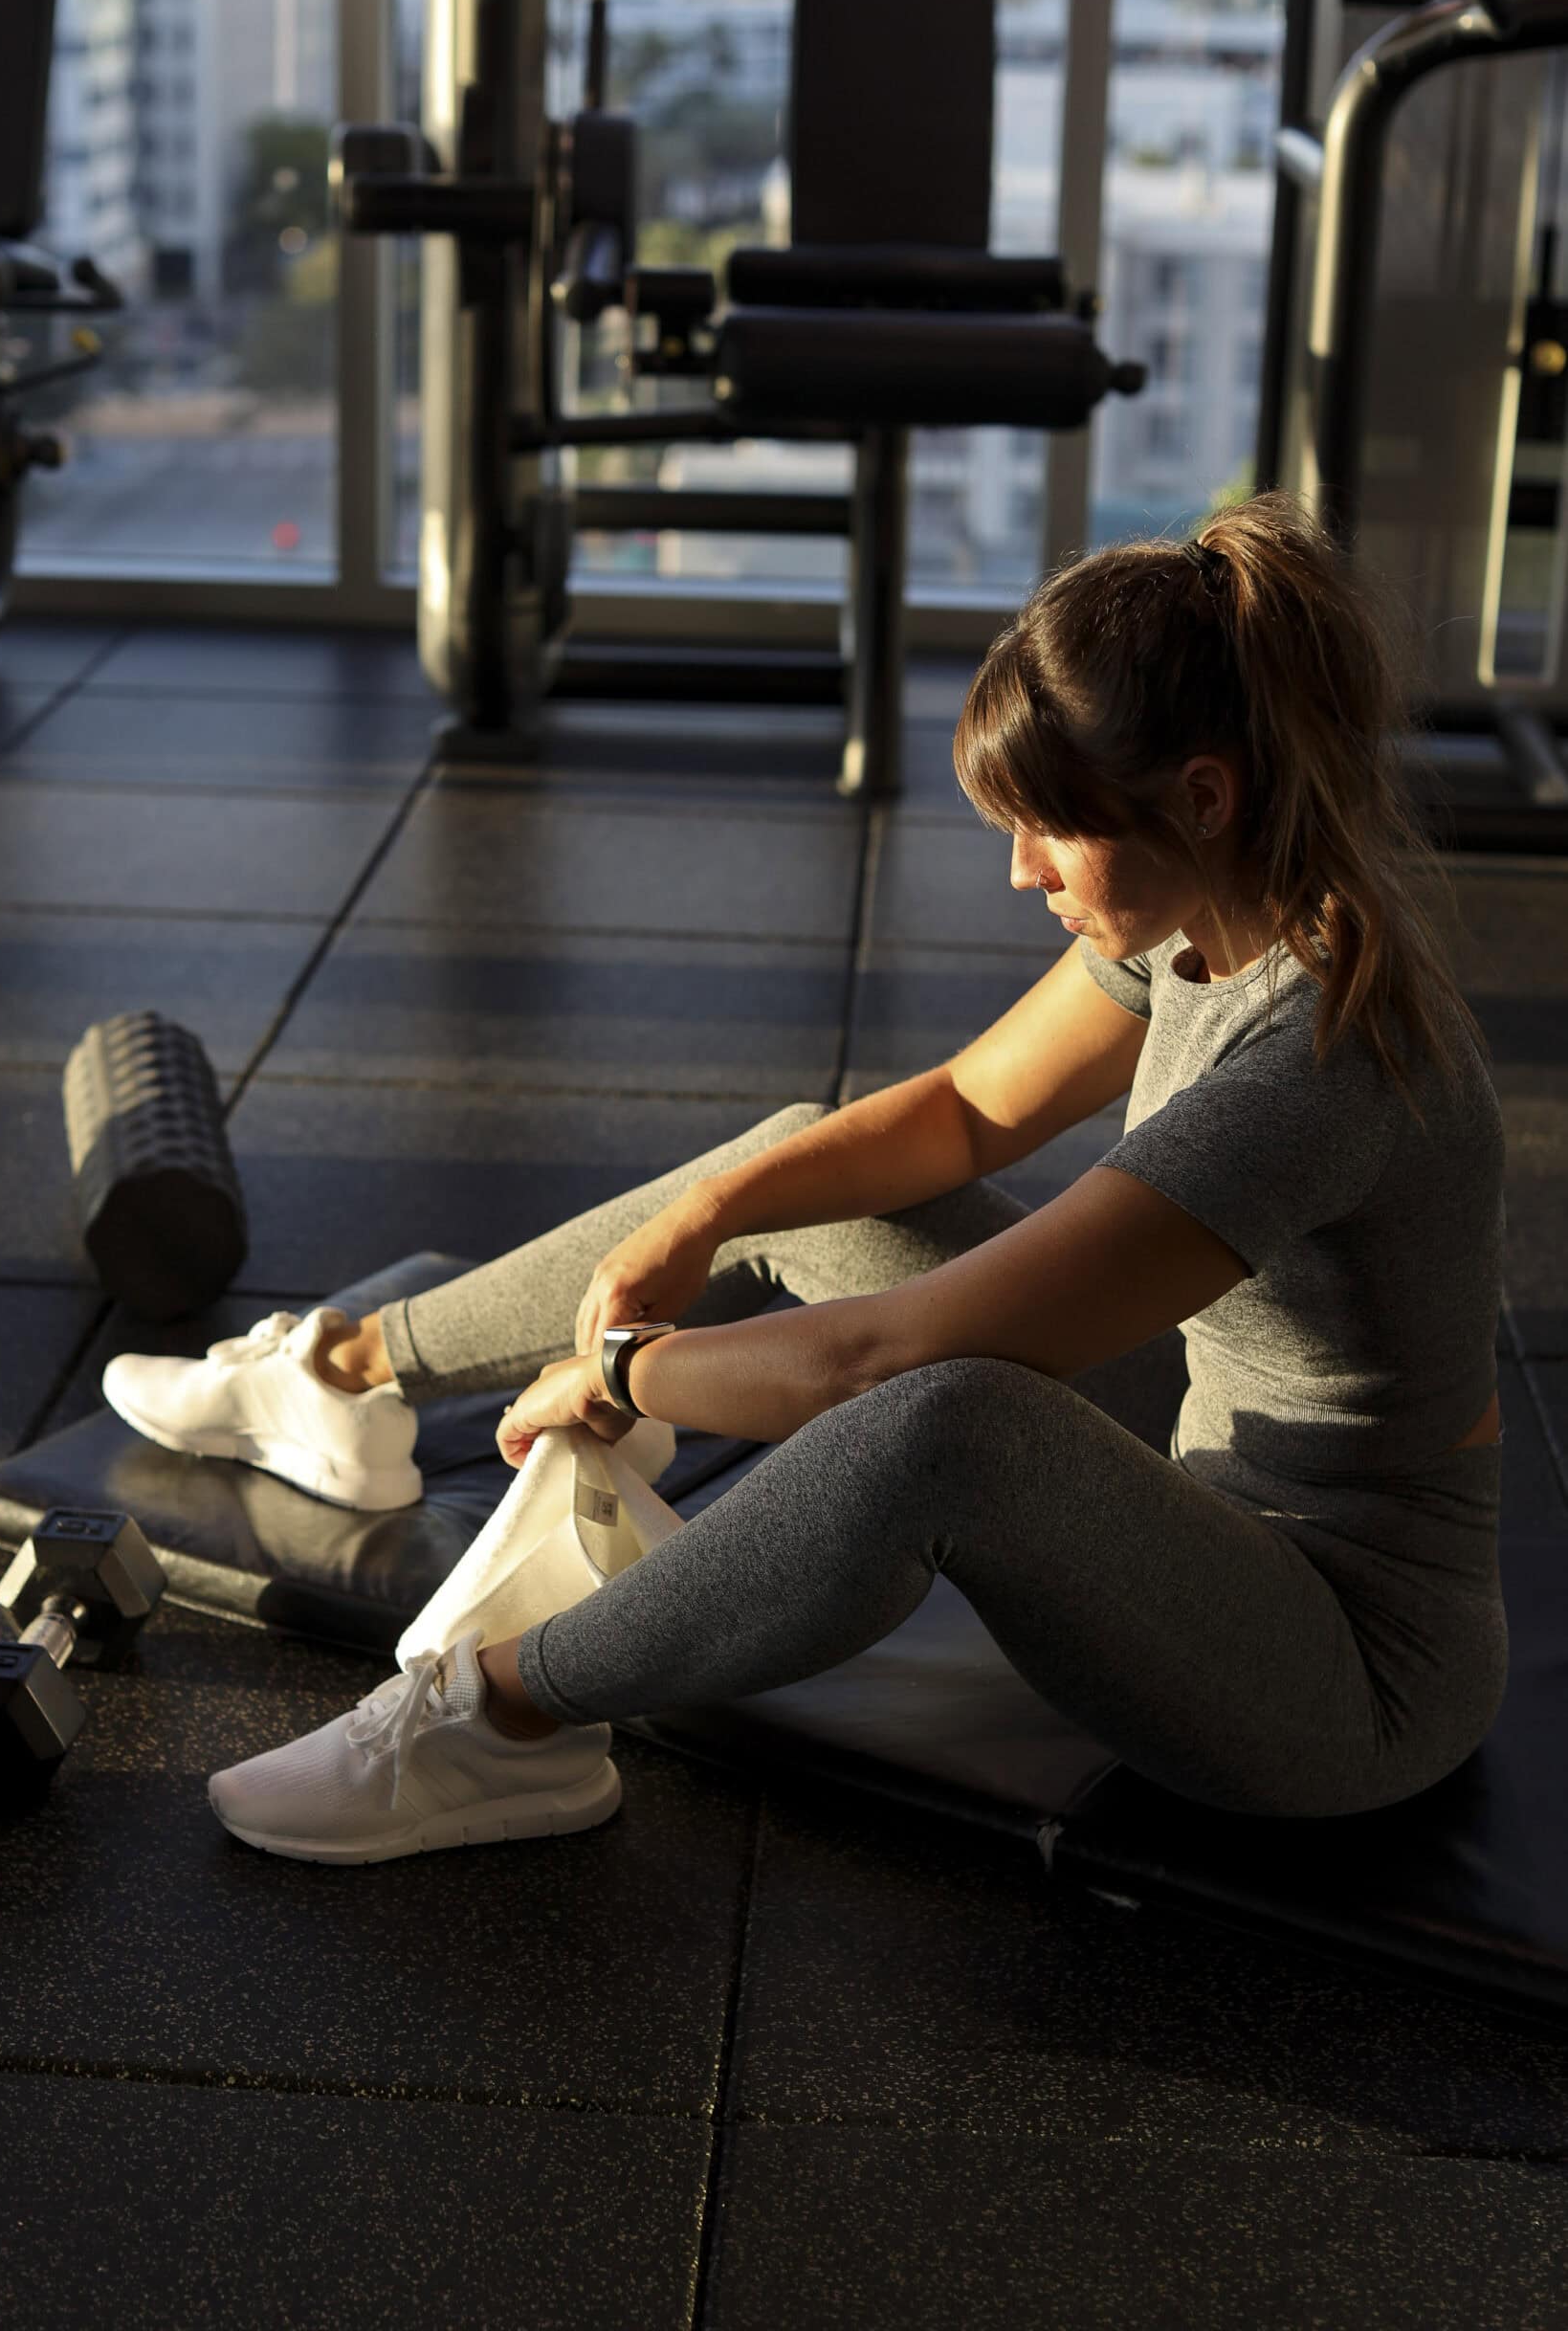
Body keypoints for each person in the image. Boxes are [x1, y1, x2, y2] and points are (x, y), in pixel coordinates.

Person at [103, 489, 1508, 1866]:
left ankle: (485, 1717)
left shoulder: (1321, 1065)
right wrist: (708, 1214)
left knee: (941, 1426)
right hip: (1200, 1470)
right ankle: (347, 1377)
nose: (1022, 873)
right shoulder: (1209, 909)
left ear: (1201, 796)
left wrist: (622, 1375)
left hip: (1339, 1673)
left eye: (1047, 829)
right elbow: (963, 1112)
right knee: (808, 1163)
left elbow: (870, 1365)